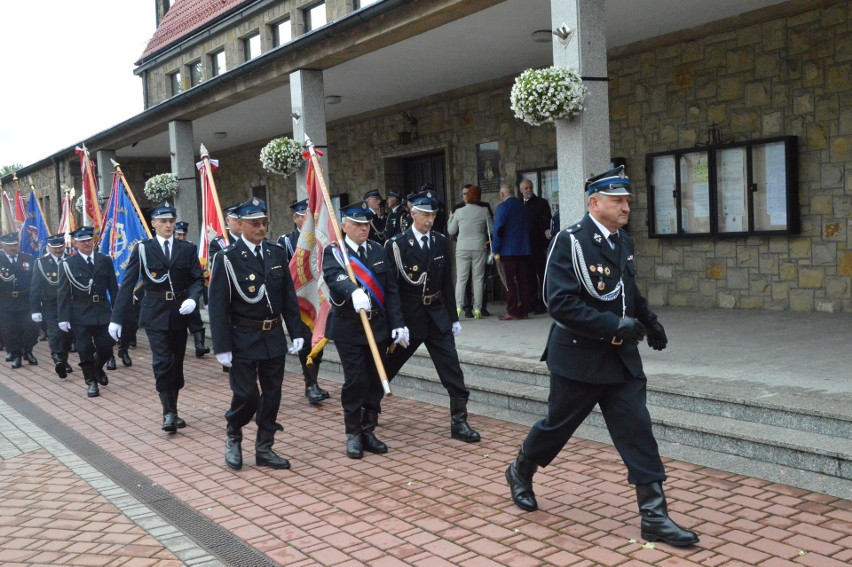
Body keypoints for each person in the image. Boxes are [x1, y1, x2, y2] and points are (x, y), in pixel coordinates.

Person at [504, 166, 699, 547]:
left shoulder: (621, 241)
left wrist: (649, 320)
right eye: (617, 200)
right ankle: (520, 469)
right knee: (556, 427)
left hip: (621, 360)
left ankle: (654, 516)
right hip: (578, 357)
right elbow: (558, 302)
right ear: (595, 203)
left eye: (627, 199)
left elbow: (627, 289)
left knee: (637, 430)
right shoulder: (571, 241)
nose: (626, 206)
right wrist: (613, 326)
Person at [208, 197, 306, 471]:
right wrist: (221, 346)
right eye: (255, 223)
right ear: (239, 225)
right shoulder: (226, 259)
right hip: (242, 336)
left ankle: (265, 447)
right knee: (247, 394)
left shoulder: (275, 253)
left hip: (272, 335)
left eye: (264, 222)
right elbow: (217, 306)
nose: (261, 228)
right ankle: (234, 432)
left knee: (273, 393)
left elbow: (287, 295)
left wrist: (295, 331)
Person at [384, 190, 480, 443]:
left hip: (437, 316)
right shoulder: (396, 245)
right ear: (412, 212)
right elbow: (391, 290)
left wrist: (454, 316)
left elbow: (446, 282)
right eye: (425, 214)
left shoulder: (440, 241)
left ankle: (459, 422)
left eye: (433, 214)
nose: (430, 219)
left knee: (452, 370)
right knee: (386, 366)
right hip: (409, 317)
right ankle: (367, 414)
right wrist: (396, 324)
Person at [322, 201, 407, 458]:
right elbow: (333, 277)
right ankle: (353, 433)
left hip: (378, 325)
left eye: (367, 223)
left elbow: (391, 290)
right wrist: (353, 290)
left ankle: (368, 430)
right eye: (358, 224)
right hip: (349, 326)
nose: (364, 228)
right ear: (344, 225)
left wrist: (398, 323)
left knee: (373, 380)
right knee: (356, 379)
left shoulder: (378, 251)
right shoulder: (334, 252)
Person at [110, 204, 205, 432]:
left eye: (171, 220)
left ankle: (173, 407)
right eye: (162, 221)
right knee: (163, 362)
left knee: (177, 364)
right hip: (155, 313)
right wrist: (116, 318)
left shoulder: (187, 249)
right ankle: (168, 413)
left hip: (180, 314)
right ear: (153, 224)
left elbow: (196, 279)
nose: (168, 225)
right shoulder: (143, 249)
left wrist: (193, 298)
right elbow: (128, 284)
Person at [277, 198, 330, 405]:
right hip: (297, 301)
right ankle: (310, 384)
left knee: (319, 341)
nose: (309, 220)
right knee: (306, 342)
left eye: (311, 217)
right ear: (296, 218)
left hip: (319, 299)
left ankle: (313, 380)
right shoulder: (287, 242)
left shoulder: (322, 240)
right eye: (303, 216)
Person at [57, 227, 117, 398]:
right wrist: (63, 317)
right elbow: (63, 292)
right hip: (80, 313)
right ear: (75, 243)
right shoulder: (68, 264)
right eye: (82, 241)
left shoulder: (104, 260)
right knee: (84, 349)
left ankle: (98, 367)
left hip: (103, 312)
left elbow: (113, 288)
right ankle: (91, 382)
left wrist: (118, 312)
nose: (87, 243)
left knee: (107, 346)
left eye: (89, 239)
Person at [30, 234, 74, 378]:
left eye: (60, 247)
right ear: (48, 247)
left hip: (70, 303)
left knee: (68, 334)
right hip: (51, 303)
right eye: (54, 248)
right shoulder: (41, 262)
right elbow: (35, 287)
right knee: (55, 332)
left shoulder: (72, 259)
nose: (58, 250)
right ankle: (58, 359)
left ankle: (64, 358)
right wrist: (35, 309)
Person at [447, 184, 492, 319]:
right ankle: (477, 308)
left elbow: (451, 231)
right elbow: (492, 229)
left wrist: (450, 218)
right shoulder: (484, 210)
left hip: (462, 248)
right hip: (479, 247)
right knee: (478, 279)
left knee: (461, 279)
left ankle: (458, 306)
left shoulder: (459, 212)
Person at [491, 183, 531, 320]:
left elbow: (498, 230)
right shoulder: (523, 206)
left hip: (508, 251)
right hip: (524, 249)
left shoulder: (503, 207)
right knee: (524, 281)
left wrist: (495, 249)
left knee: (509, 281)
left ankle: (512, 311)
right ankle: (524, 310)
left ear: (503, 195)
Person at [0, 232, 39, 368]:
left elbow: (35, 280)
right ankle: (16, 355)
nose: (13, 248)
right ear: (2, 245)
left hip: (25, 300)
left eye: (15, 245)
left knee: (30, 328)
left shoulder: (28, 258)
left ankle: (28, 351)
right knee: (9, 330)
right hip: (5, 301)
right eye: (9, 246)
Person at [174, 220, 210, 358]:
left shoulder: (190, 248)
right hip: (174, 290)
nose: (181, 237)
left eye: (183, 235)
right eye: (178, 234)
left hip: (188, 288)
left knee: (195, 315)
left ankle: (199, 346)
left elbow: (195, 270)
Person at [520, 178, 552, 314]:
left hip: (538, 244)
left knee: (541, 274)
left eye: (530, 187)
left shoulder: (541, 203)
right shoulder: (519, 204)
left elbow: (547, 221)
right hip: (524, 246)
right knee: (528, 276)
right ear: (521, 190)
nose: (528, 190)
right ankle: (532, 302)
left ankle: (543, 302)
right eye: (526, 188)